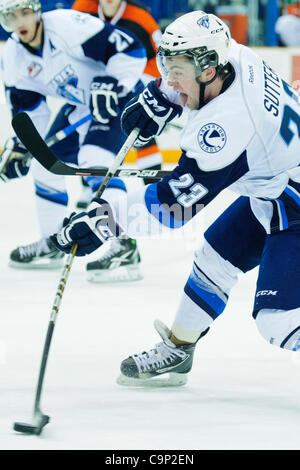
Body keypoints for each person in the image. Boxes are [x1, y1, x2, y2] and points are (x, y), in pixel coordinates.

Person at [52, 11, 300, 387]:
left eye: (176, 68)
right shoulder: (233, 56)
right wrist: (160, 96)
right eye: (166, 62)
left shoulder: (223, 127)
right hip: (278, 189)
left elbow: (171, 207)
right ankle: (179, 349)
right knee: (214, 257)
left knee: (277, 322)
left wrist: (104, 221)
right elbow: (183, 80)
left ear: (207, 69)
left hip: (292, 203)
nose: (169, 75)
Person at [0, 0, 146, 282]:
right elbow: (29, 110)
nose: (20, 23)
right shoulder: (14, 57)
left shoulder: (66, 25)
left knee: (95, 159)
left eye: (25, 13)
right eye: (11, 17)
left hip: (119, 97)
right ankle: (54, 243)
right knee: (45, 164)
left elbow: (131, 47)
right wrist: (25, 146)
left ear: (37, 11)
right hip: (81, 107)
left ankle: (123, 245)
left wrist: (113, 82)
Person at [71, 0, 167, 277]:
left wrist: (133, 81)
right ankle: (91, 188)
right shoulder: (82, 10)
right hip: (96, 84)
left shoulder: (142, 19)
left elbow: (161, 60)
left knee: (139, 132)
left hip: (134, 81)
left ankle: (153, 182)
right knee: (87, 139)